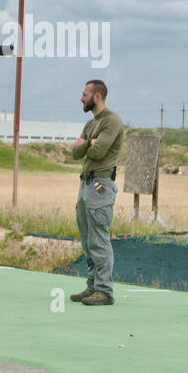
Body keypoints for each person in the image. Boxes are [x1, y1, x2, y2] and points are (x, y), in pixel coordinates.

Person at [70, 80, 125, 307]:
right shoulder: (91, 124)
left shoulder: (111, 121)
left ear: (97, 96)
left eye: (84, 94)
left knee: (99, 239)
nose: (81, 98)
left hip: (100, 185)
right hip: (86, 185)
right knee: (87, 239)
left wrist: (88, 144)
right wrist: (87, 143)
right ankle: (93, 286)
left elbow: (99, 150)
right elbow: (75, 152)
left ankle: (104, 291)